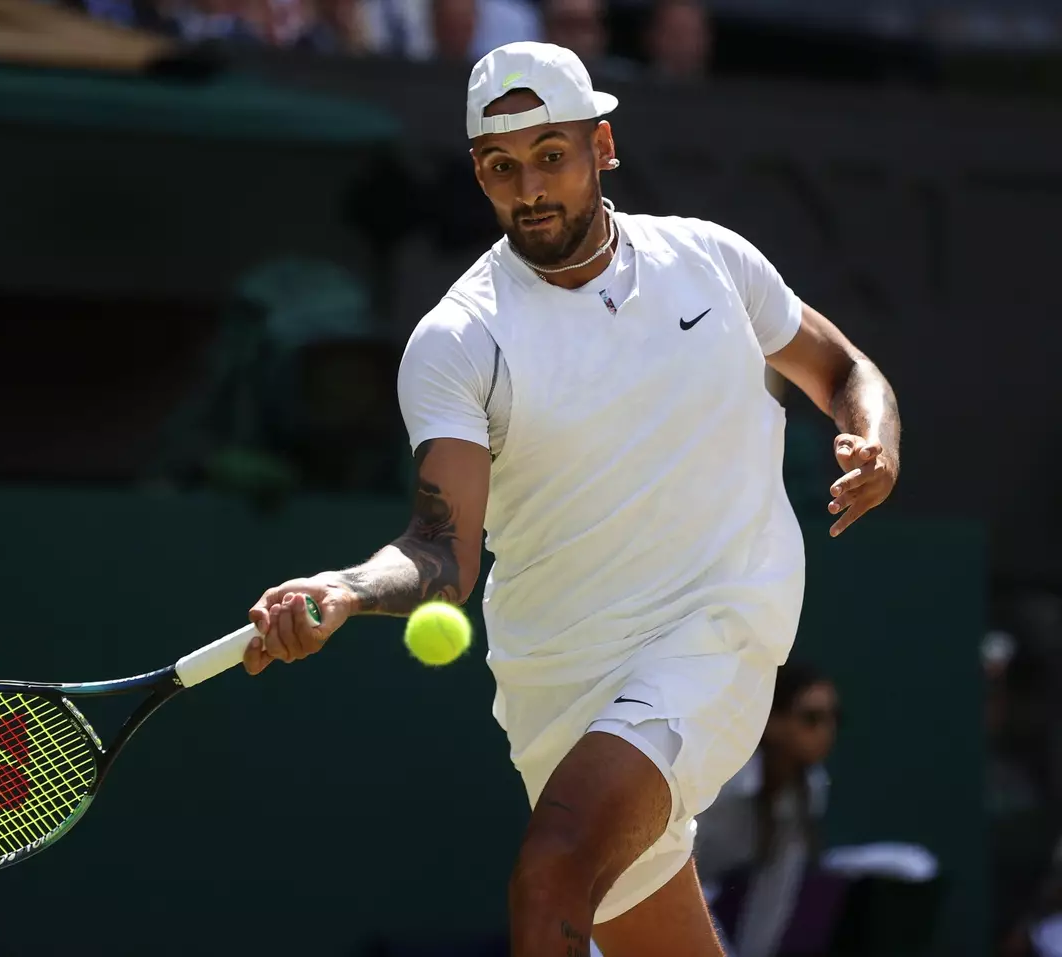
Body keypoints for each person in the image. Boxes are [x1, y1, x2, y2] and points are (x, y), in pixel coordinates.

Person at [242, 41, 901, 957]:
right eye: (502, 167)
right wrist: (352, 588)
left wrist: (876, 441)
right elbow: (443, 553)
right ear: (479, 174)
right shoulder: (459, 340)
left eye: (552, 154)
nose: (531, 187)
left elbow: (843, 369)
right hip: (555, 679)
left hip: (715, 621)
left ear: (603, 146)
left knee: (551, 867)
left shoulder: (712, 263)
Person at [694, 662, 840, 957]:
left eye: (834, 718)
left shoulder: (809, 790)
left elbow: (774, 894)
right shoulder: (724, 774)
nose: (826, 731)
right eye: (812, 718)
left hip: (693, 902)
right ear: (771, 721)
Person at [645, 0, 712, 82]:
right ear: (654, 37)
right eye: (675, 33)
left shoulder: (722, 90)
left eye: (692, 34)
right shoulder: (633, 88)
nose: (685, 44)